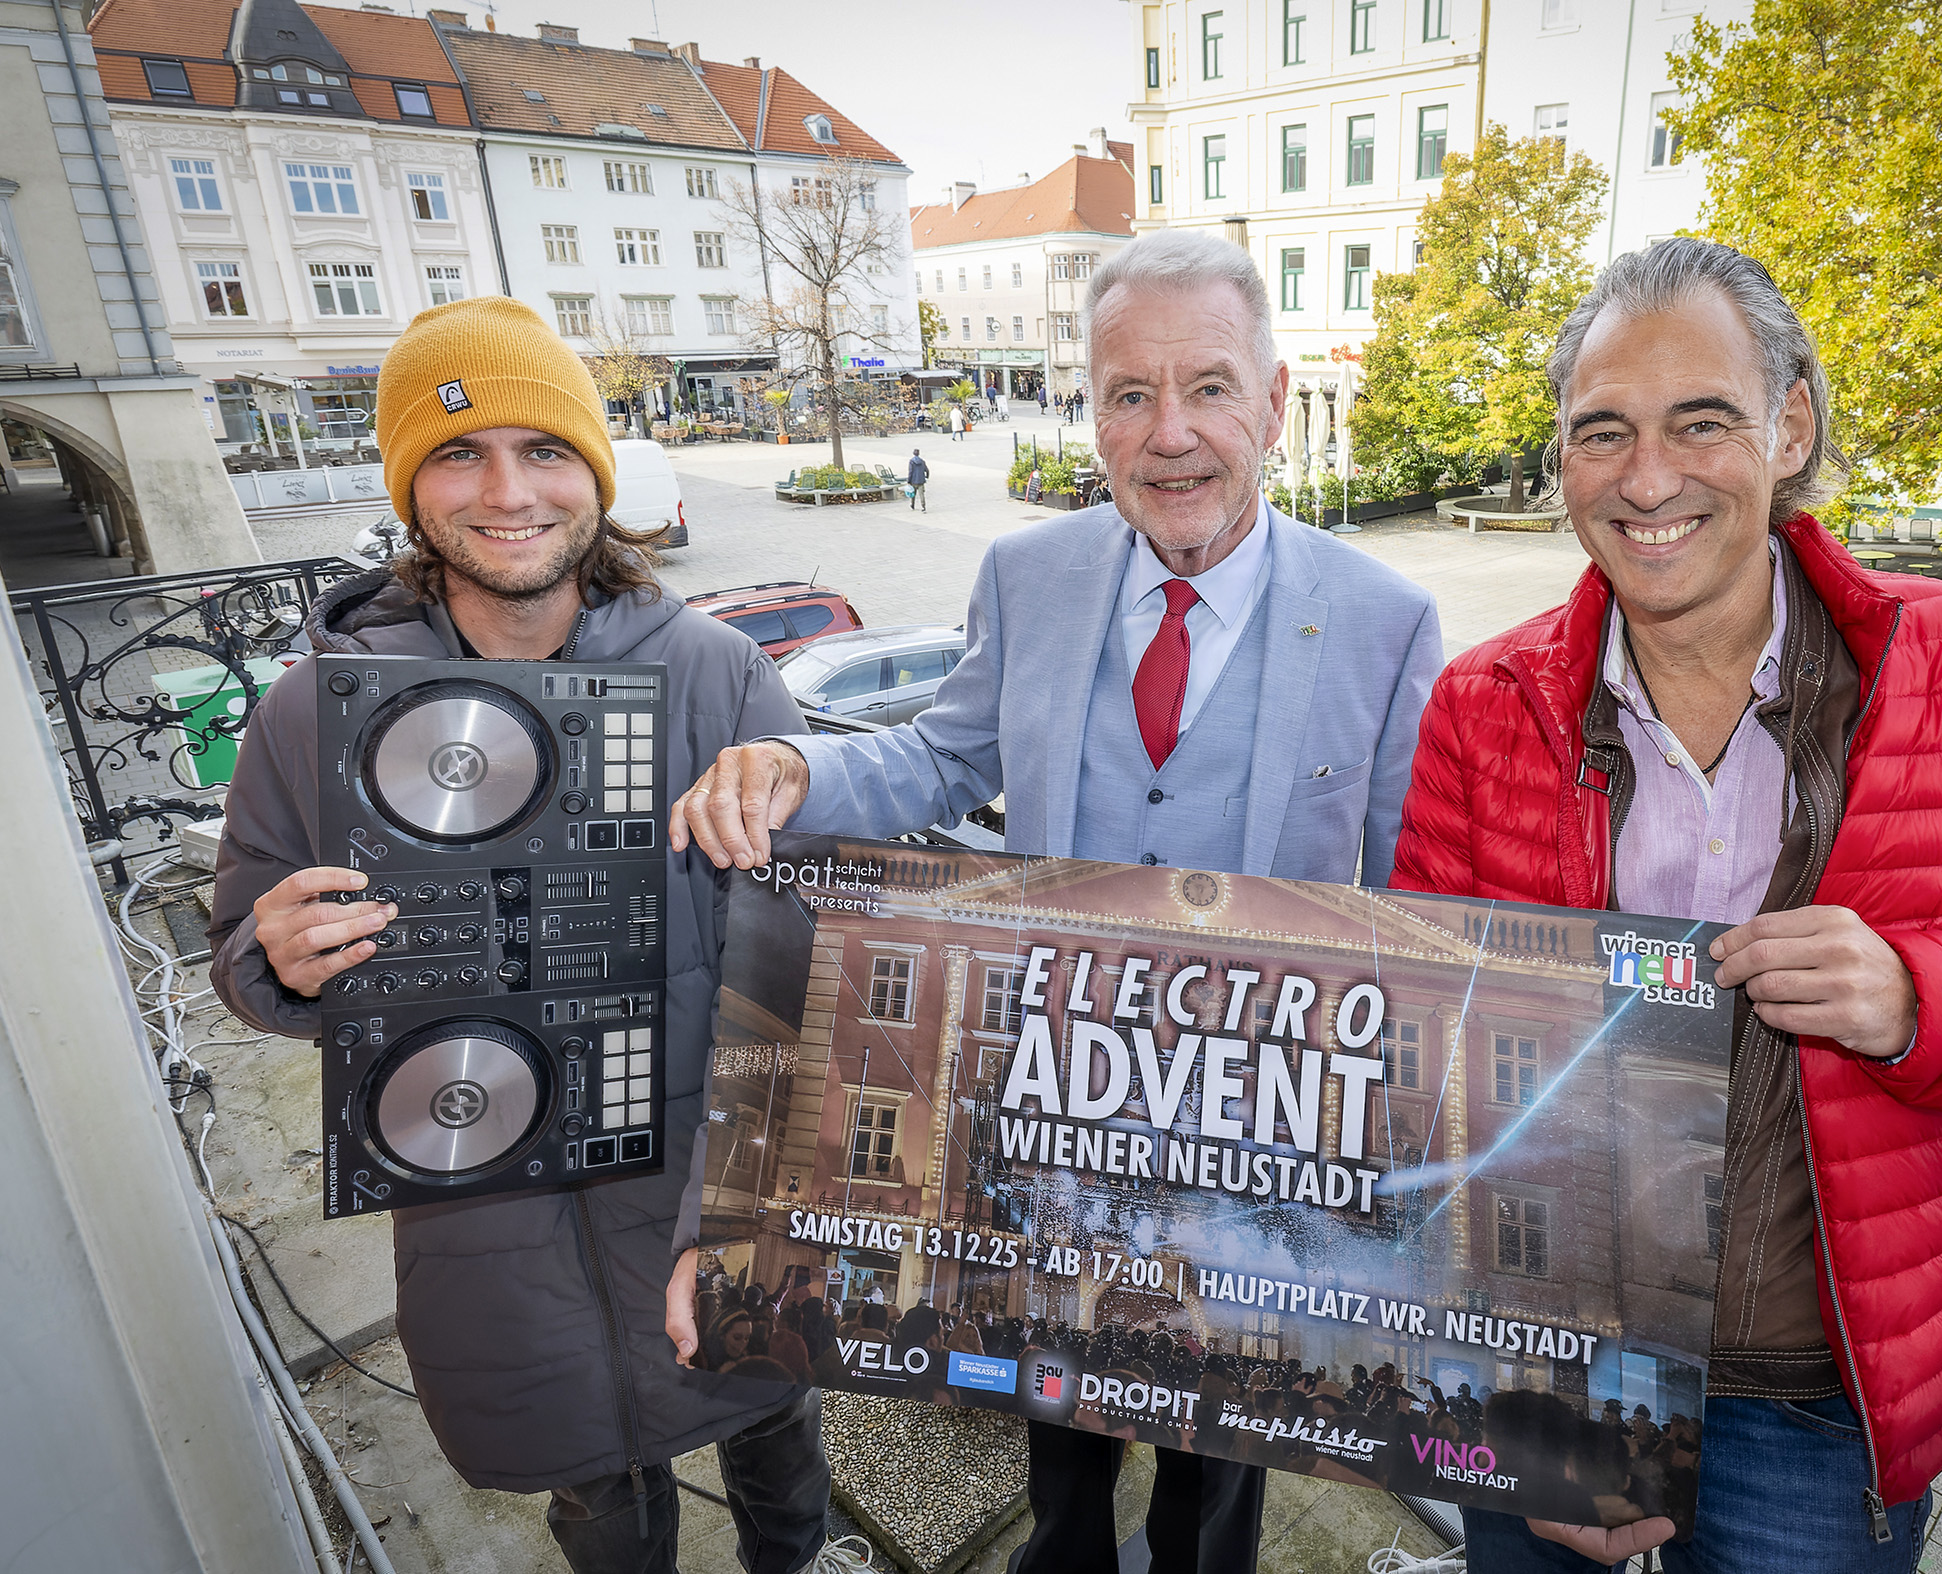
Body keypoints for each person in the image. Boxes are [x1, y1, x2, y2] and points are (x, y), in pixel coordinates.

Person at [1387, 237, 1942, 1573]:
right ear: (1563, 460)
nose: (1647, 478)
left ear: (1790, 424)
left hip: (1813, 1393)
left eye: (1699, 421)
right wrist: (1501, 1384)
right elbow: (1427, 1047)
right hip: (1548, 1357)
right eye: (1602, 433)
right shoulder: (1485, 702)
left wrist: (1920, 996)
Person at [669, 226, 1443, 1574]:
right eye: (1127, 394)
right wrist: (798, 763)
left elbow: (1413, 902)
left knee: (1224, 1444)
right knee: (1054, 1398)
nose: (1171, 433)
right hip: (1051, 1094)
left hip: (1251, 1129)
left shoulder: (1382, 615)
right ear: (1088, 410)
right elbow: (936, 755)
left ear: (1270, 397)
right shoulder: (1026, 578)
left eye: (1208, 387)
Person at [205, 296, 840, 1574]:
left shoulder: (713, 670)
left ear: (596, 477)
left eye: (545, 449)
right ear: (408, 486)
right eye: (458, 451)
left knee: (777, 1449)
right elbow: (245, 943)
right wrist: (272, 959)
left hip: (705, 1195)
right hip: (492, 1234)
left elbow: (820, 932)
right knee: (598, 1509)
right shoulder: (307, 717)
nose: (509, 491)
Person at [907, 447, 930, 512]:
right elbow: (927, 470)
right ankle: (923, 506)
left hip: (913, 480)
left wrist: (909, 480)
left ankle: (912, 505)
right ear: (919, 454)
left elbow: (910, 471)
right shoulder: (922, 461)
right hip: (921, 480)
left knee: (913, 494)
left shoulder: (911, 461)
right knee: (921, 494)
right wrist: (926, 477)